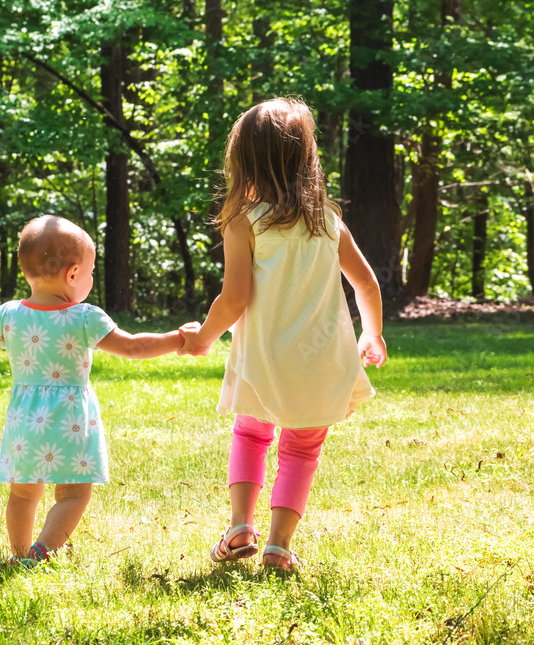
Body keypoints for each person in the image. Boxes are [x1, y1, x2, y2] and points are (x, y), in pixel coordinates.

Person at [179, 97, 387, 571]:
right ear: (306, 158)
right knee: (302, 448)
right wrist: (371, 334)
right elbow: (367, 285)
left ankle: (238, 527)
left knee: (251, 435)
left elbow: (233, 299)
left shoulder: (243, 222)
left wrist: (205, 337)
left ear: (245, 160)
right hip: (320, 360)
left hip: (262, 360)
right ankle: (277, 545)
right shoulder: (330, 223)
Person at [0, 215, 191, 566]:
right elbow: (132, 347)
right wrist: (178, 339)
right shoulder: (84, 317)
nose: (91, 279)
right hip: (70, 422)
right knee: (74, 495)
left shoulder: (9, 315)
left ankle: (20, 555)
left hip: (25, 423)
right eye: (90, 272)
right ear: (72, 274)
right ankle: (41, 552)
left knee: (22, 495)